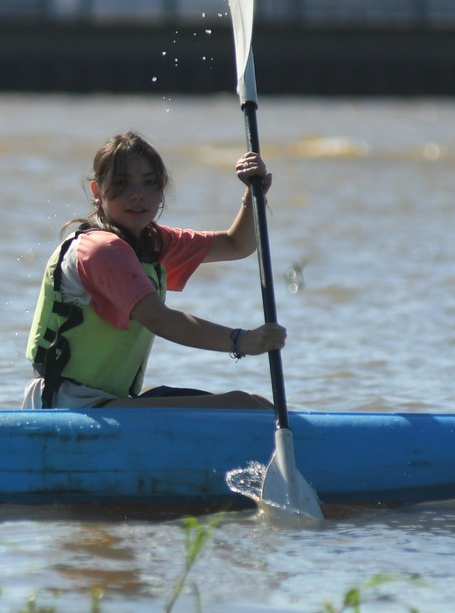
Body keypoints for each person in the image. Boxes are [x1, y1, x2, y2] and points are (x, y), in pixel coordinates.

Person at [23, 130, 287, 410]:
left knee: (254, 406)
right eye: (122, 184)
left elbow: (237, 245)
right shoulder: (100, 250)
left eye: (149, 184)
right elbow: (161, 320)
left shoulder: (154, 243)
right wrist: (241, 340)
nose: (137, 195)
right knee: (244, 408)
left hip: (108, 404)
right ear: (97, 192)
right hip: (67, 406)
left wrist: (253, 192)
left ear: (161, 189)